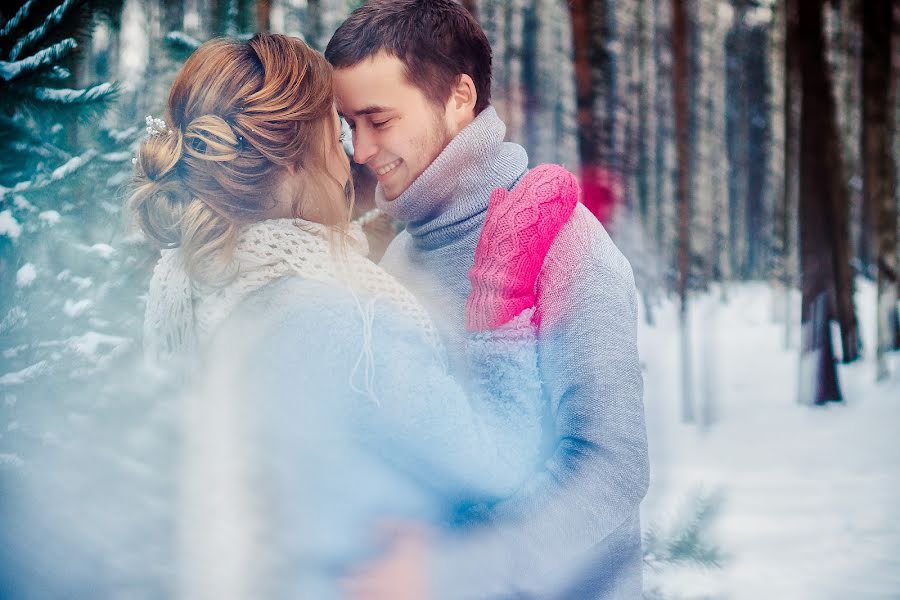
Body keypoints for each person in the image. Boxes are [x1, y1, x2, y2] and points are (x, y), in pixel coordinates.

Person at [0, 33, 578, 600]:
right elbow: (500, 466)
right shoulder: (340, 322)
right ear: (295, 162)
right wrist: (499, 304)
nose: (351, 154)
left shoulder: (199, 286)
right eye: (335, 132)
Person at [325, 1, 649, 598]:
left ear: (458, 96)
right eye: (349, 124)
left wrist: (463, 571)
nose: (360, 150)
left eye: (378, 119)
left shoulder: (565, 243)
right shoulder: (400, 258)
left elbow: (612, 472)